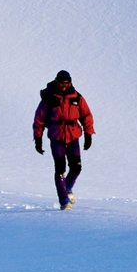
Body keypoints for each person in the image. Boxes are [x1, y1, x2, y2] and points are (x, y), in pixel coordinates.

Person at [32, 70, 95, 210]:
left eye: (67, 83)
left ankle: (66, 187)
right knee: (60, 169)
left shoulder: (77, 97)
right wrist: (38, 138)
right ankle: (64, 201)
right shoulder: (49, 98)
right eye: (62, 83)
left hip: (73, 136)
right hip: (57, 136)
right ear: (57, 81)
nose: (64, 86)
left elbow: (86, 115)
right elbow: (39, 119)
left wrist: (88, 134)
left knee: (76, 167)